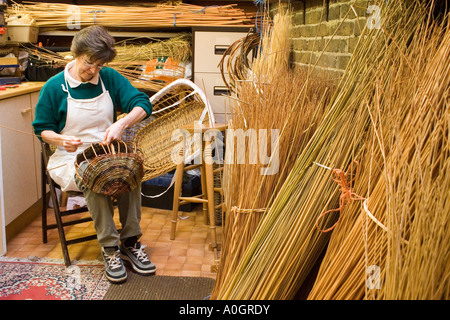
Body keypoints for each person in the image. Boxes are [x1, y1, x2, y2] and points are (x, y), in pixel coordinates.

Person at [32, 25, 155, 283]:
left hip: (105, 152)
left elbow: (143, 103)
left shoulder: (108, 78)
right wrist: (60, 139)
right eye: (89, 63)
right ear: (75, 53)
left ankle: (130, 242)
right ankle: (109, 248)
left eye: (99, 65)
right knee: (94, 177)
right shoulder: (54, 87)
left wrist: (121, 123)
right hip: (69, 157)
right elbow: (42, 129)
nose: (93, 70)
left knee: (130, 170)